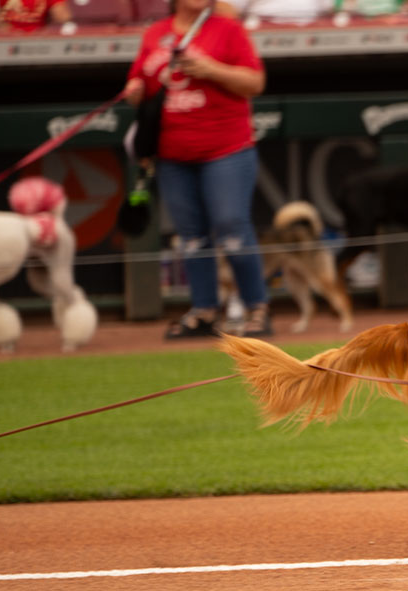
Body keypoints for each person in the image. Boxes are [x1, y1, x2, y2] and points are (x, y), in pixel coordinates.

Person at [123, 0, 272, 339]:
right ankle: (204, 310)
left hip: (226, 148)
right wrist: (134, 91)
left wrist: (211, 70)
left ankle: (257, 308)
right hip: (173, 153)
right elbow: (139, 82)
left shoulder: (228, 30)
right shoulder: (155, 34)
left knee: (231, 227)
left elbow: (255, 82)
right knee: (191, 236)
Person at [0, 0, 70, 31]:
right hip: (3, 38)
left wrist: (44, 33)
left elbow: (62, 16)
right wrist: (14, 34)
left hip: (39, 38)